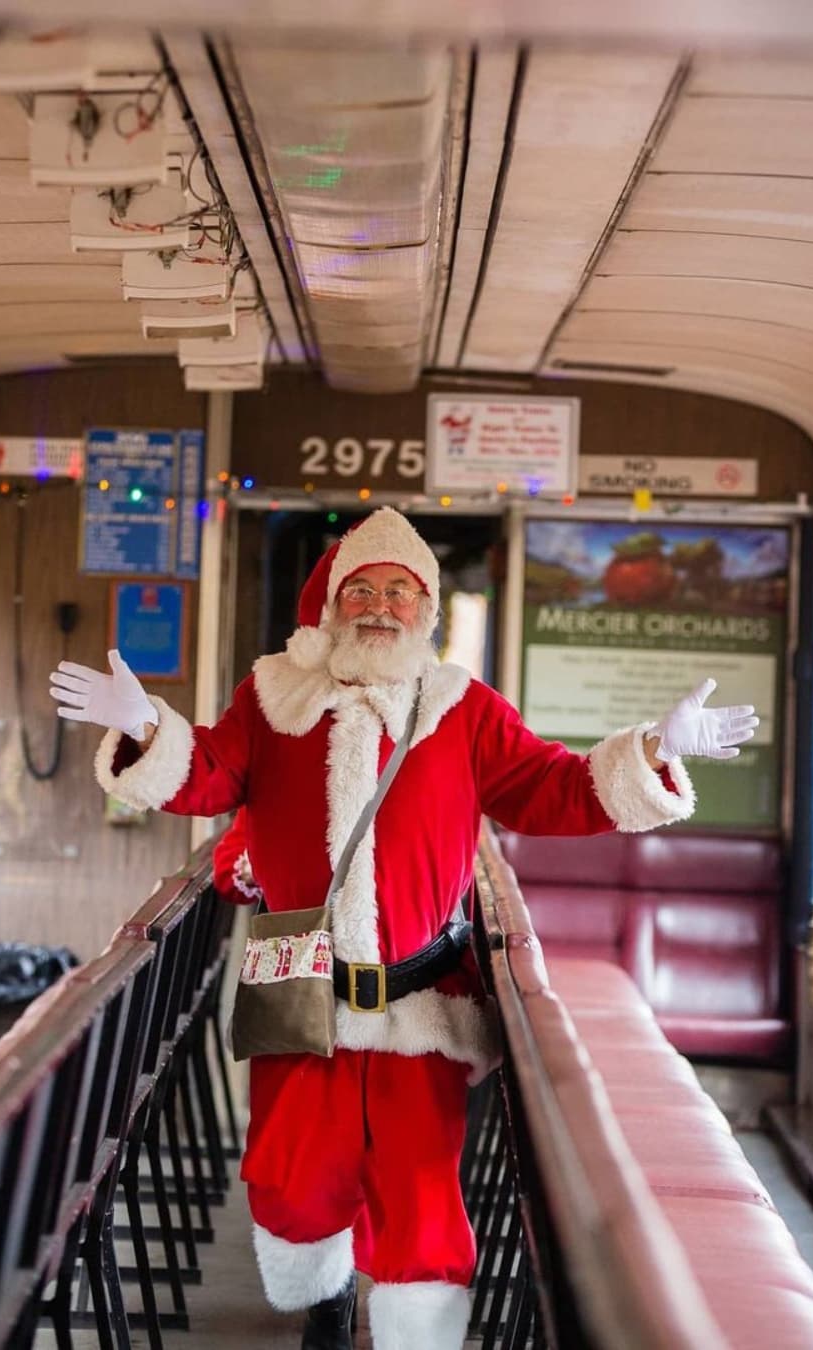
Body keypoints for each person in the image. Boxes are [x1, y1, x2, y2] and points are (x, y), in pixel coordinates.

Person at [49, 508, 757, 1350]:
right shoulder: (273, 699)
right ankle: (326, 1290)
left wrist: (652, 748)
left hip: (424, 1002)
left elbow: (554, 789)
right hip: (299, 989)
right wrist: (144, 729)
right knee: (290, 1188)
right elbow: (205, 776)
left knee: (419, 1200)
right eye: (362, 589)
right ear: (331, 604)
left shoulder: (465, 709)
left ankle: (409, 1332)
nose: (379, 605)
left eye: (399, 590)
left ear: (425, 612)